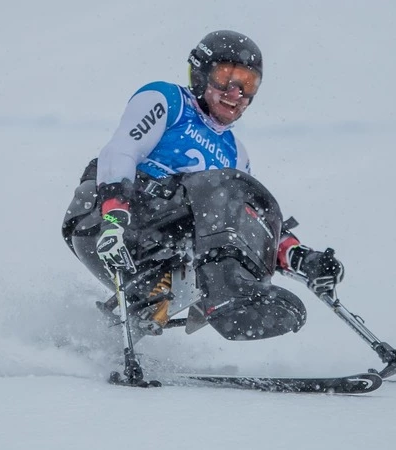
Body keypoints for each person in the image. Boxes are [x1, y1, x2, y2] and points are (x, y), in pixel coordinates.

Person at [62, 30, 344, 341]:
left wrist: (301, 257)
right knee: (227, 185)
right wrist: (114, 217)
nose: (235, 93)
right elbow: (120, 151)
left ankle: (185, 301)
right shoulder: (167, 100)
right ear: (199, 74)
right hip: (107, 223)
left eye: (247, 84)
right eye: (225, 78)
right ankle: (225, 294)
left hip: (162, 250)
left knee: (241, 194)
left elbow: (248, 220)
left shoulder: (236, 153)